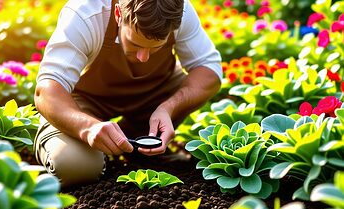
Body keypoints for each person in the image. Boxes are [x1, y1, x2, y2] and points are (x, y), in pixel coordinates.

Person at [34, 0, 223, 187]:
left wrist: (168, 108)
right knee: (74, 165)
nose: (143, 58)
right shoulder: (85, 13)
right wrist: (87, 127)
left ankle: (136, 141)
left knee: (192, 83)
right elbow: (47, 90)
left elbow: (209, 71)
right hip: (85, 103)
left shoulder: (178, 11)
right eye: (134, 43)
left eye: (156, 47)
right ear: (118, 14)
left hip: (153, 93)